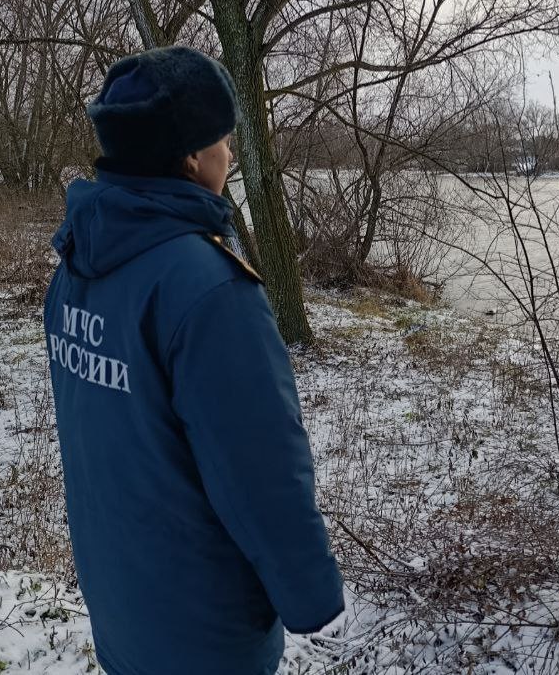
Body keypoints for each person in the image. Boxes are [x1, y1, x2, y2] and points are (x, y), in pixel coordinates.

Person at [43, 45, 345, 675]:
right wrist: (310, 594)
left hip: (122, 599)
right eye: (222, 139)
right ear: (189, 159)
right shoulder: (207, 288)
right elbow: (259, 466)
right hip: (201, 628)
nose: (229, 153)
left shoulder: (80, 263)